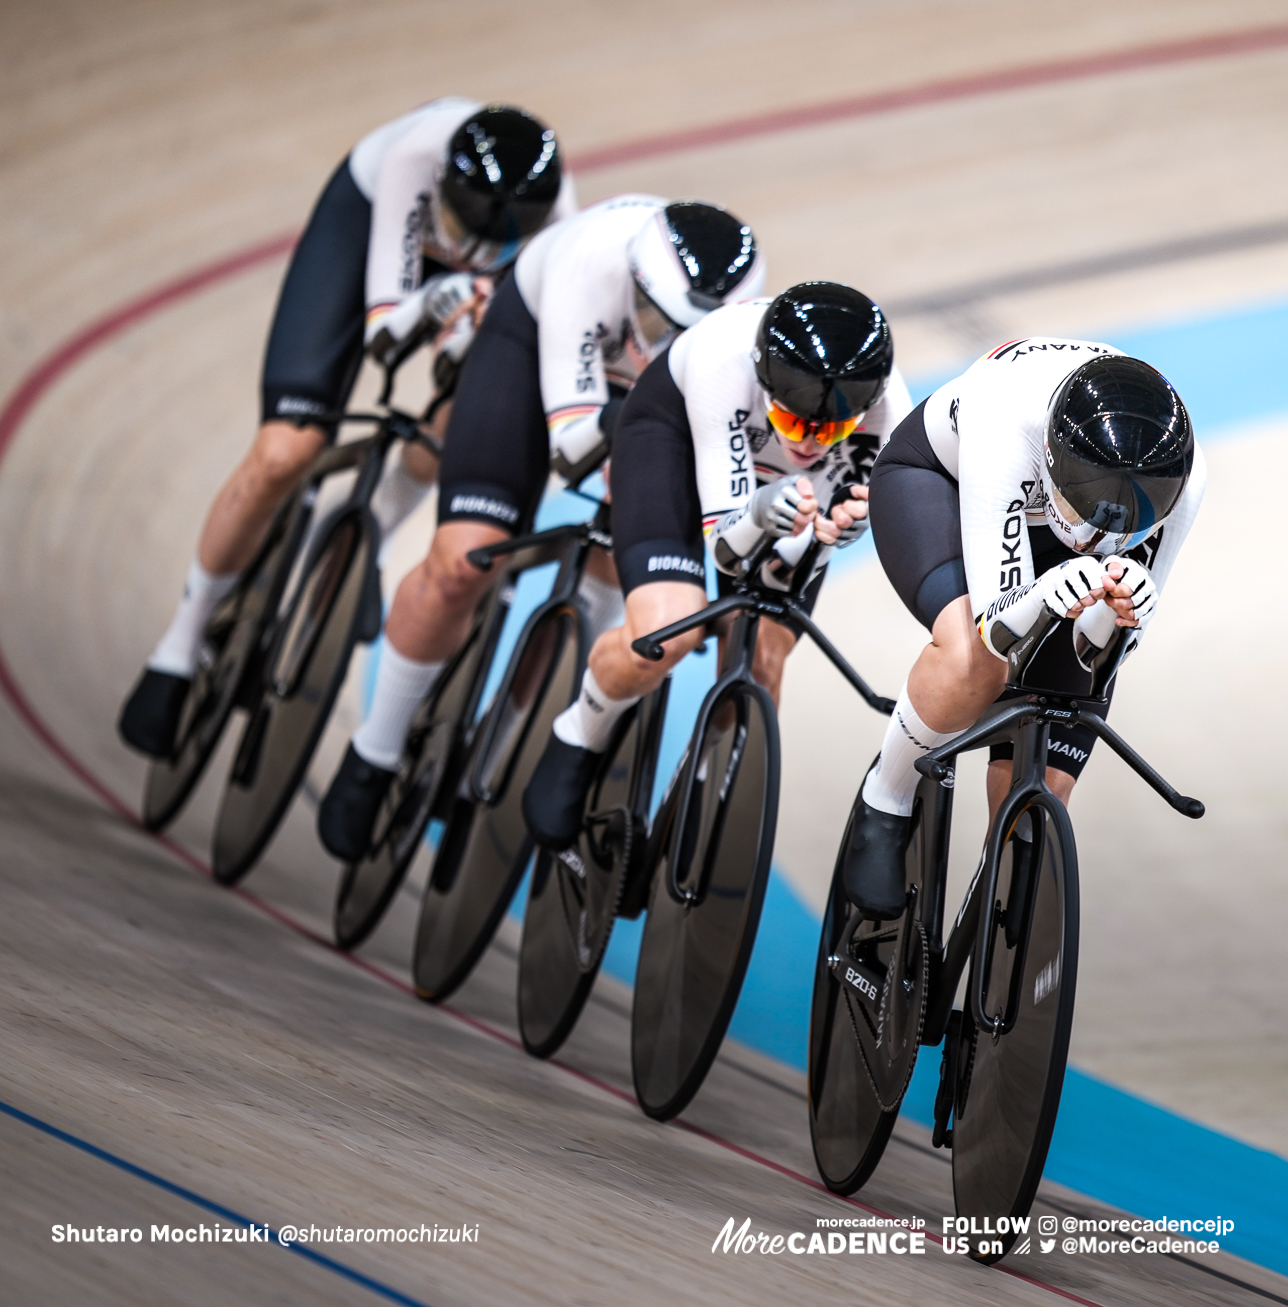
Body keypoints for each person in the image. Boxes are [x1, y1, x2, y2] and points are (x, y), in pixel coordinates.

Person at [117, 99, 575, 758]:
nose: (467, 246)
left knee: (458, 417)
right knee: (285, 450)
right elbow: (386, 334)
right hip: (371, 225)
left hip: (491, 284)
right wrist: (432, 302)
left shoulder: (558, 227)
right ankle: (178, 649)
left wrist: (467, 335)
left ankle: (376, 532)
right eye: (460, 227)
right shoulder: (413, 159)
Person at [314, 195, 766, 860]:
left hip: (657, 398)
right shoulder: (589, 266)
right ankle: (375, 751)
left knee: (626, 556)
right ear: (634, 284)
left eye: (683, 330)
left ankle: (508, 744)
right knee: (462, 560)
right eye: (653, 316)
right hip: (534, 353)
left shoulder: (736, 338)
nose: (660, 337)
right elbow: (573, 446)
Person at [520, 281, 912, 850]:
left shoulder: (888, 418)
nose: (807, 442)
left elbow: (778, 576)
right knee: (665, 631)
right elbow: (728, 549)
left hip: (775, 495)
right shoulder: (721, 363)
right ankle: (579, 732)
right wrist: (759, 511)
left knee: (764, 657)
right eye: (792, 417)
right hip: (675, 438)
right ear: (765, 381)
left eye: (830, 429)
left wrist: (827, 538)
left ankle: (699, 791)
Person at [837, 342, 1206, 917]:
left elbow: (1104, 657)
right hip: (946, 480)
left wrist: (1122, 611)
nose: (1093, 535)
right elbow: (998, 632)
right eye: (1083, 510)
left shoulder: (1180, 478)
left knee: (1062, 728)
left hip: (1042, 504)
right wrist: (1040, 599)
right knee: (972, 661)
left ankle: (980, 922)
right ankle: (886, 796)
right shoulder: (1006, 423)